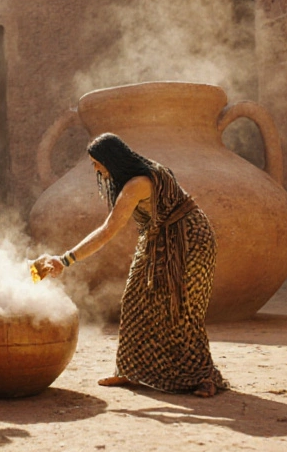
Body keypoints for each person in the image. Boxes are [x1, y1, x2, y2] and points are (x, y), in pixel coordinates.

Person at [34, 133, 227, 396]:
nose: (95, 169)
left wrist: (65, 260)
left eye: (96, 163)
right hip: (159, 240)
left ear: (110, 160)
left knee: (183, 307)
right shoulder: (131, 180)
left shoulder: (139, 183)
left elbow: (107, 230)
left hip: (189, 240)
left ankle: (204, 376)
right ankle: (129, 371)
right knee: (136, 300)